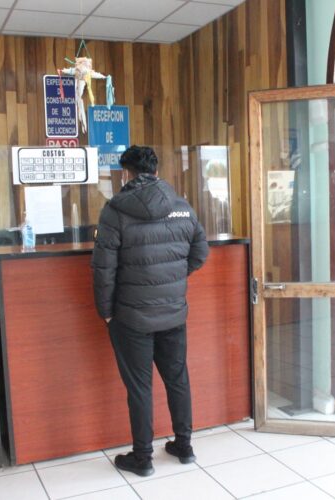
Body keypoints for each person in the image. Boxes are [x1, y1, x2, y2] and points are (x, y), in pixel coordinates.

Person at [91, 145, 209, 477]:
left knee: (140, 387)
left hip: (131, 317)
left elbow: (103, 270)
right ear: (155, 171)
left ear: (125, 174)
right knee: (177, 378)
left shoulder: (115, 211)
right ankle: (184, 446)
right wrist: (173, 278)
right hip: (173, 312)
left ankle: (143, 458)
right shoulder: (181, 206)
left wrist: (106, 312)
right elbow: (200, 252)